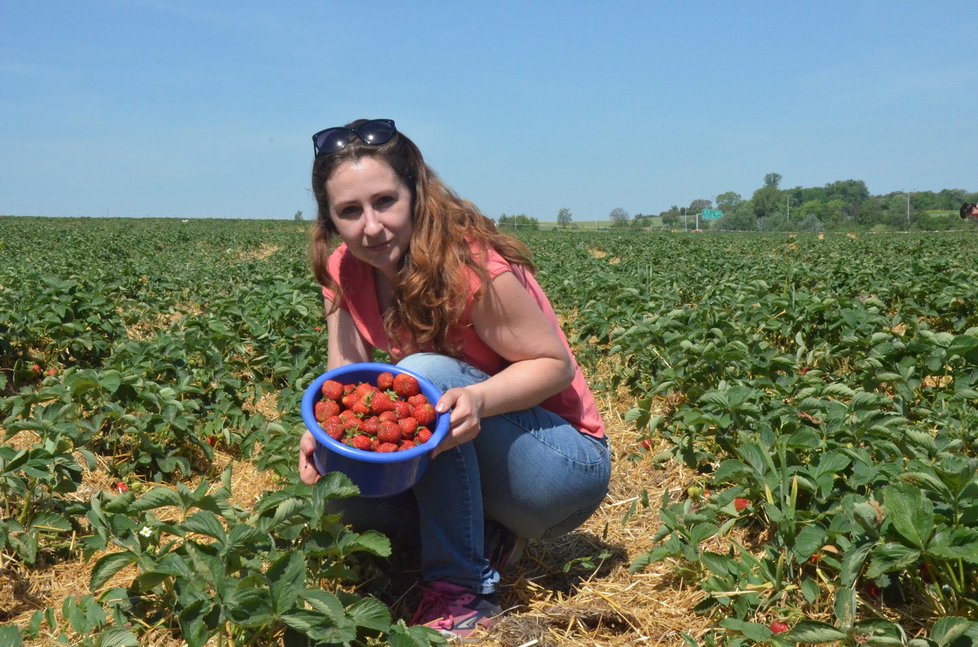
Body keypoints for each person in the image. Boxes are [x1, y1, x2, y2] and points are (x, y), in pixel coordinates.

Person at [297, 118, 611, 642]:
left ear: (416, 193)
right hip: (481, 450)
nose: (371, 226)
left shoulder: (469, 264)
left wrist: (479, 400)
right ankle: (487, 534)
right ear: (329, 218)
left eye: (385, 201)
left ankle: (462, 591)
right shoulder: (344, 269)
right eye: (349, 211)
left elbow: (554, 365)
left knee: (422, 377)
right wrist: (328, 437)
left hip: (560, 468)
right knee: (340, 489)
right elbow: (346, 381)